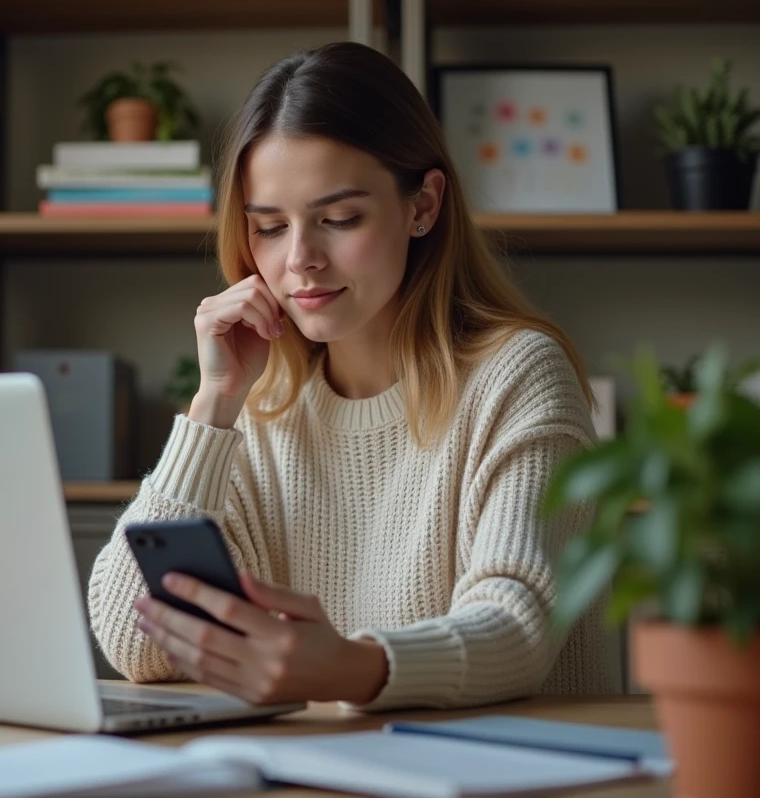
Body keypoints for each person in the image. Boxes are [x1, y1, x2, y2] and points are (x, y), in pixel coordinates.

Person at [85, 41, 620, 712]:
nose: (300, 259)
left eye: (339, 219)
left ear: (423, 205)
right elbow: (135, 645)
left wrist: (350, 668)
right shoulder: (263, 406)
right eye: (271, 227)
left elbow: (517, 627)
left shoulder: (517, 377)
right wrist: (213, 405)